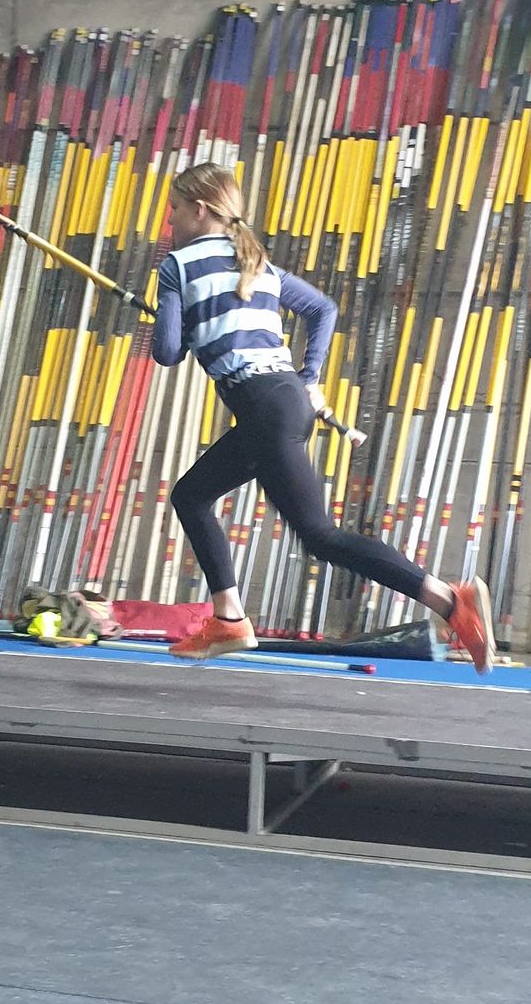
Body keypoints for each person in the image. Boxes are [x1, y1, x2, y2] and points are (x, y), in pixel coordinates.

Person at [150, 162, 495, 674]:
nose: (170, 221)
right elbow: (323, 310)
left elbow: (166, 352)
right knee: (193, 496)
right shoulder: (259, 264)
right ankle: (229, 619)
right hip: (285, 401)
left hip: (262, 408)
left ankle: (450, 600)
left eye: (175, 209)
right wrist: (310, 377)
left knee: (319, 536)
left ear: (200, 210)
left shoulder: (177, 266)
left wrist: (170, 314)